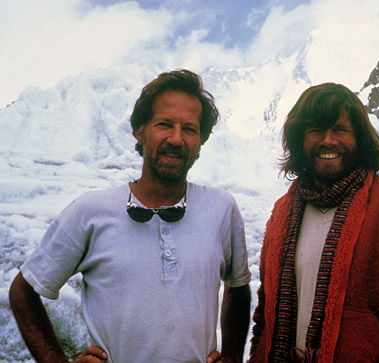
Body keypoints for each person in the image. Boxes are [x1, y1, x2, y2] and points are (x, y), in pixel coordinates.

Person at [9, 69, 251, 363]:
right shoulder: (91, 210)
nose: (176, 139)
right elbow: (24, 289)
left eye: (189, 129)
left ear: (201, 141)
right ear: (140, 130)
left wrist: (233, 357)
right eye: (164, 124)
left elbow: (237, 287)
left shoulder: (222, 208)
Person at [249, 83, 379, 362]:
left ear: (359, 138)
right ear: (300, 139)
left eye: (340, 130)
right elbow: (266, 311)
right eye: (316, 130)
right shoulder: (283, 211)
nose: (328, 141)